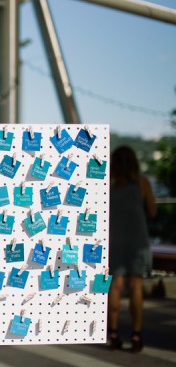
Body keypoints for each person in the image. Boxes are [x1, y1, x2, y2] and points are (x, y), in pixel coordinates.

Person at [108, 146, 157, 353]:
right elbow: (153, 212)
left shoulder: (108, 185)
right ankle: (136, 335)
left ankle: (114, 332)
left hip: (115, 240)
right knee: (136, 286)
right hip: (138, 241)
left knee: (116, 285)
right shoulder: (143, 183)